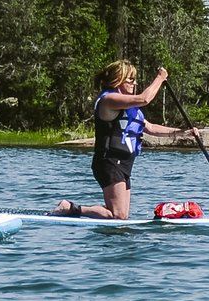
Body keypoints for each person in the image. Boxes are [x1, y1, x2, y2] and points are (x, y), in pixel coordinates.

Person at [54, 60, 199, 220]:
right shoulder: (108, 100)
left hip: (124, 164)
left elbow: (150, 128)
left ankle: (86, 213)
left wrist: (183, 133)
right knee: (118, 215)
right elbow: (145, 99)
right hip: (109, 161)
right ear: (118, 79)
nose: (134, 83)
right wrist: (160, 78)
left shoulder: (131, 110)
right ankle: (70, 208)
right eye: (130, 79)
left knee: (121, 216)